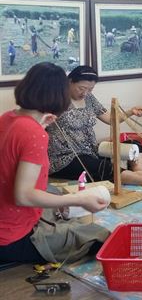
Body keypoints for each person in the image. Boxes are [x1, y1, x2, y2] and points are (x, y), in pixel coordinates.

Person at [0, 63, 109, 263]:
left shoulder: (8, 118)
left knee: (55, 194)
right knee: (98, 235)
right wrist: (79, 199)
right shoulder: (33, 133)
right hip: (10, 238)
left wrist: (39, 127)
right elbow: (23, 196)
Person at [47, 66, 142, 186]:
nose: (85, 93)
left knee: (134, 146)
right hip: (65, 159)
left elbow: (111, 119)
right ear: (70, 81)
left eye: (90, 89)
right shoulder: (55, 100)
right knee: (103, 167)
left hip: (91, 151)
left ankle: (139, 172)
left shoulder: (89, 98)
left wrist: (131, 112)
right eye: (81, 88)